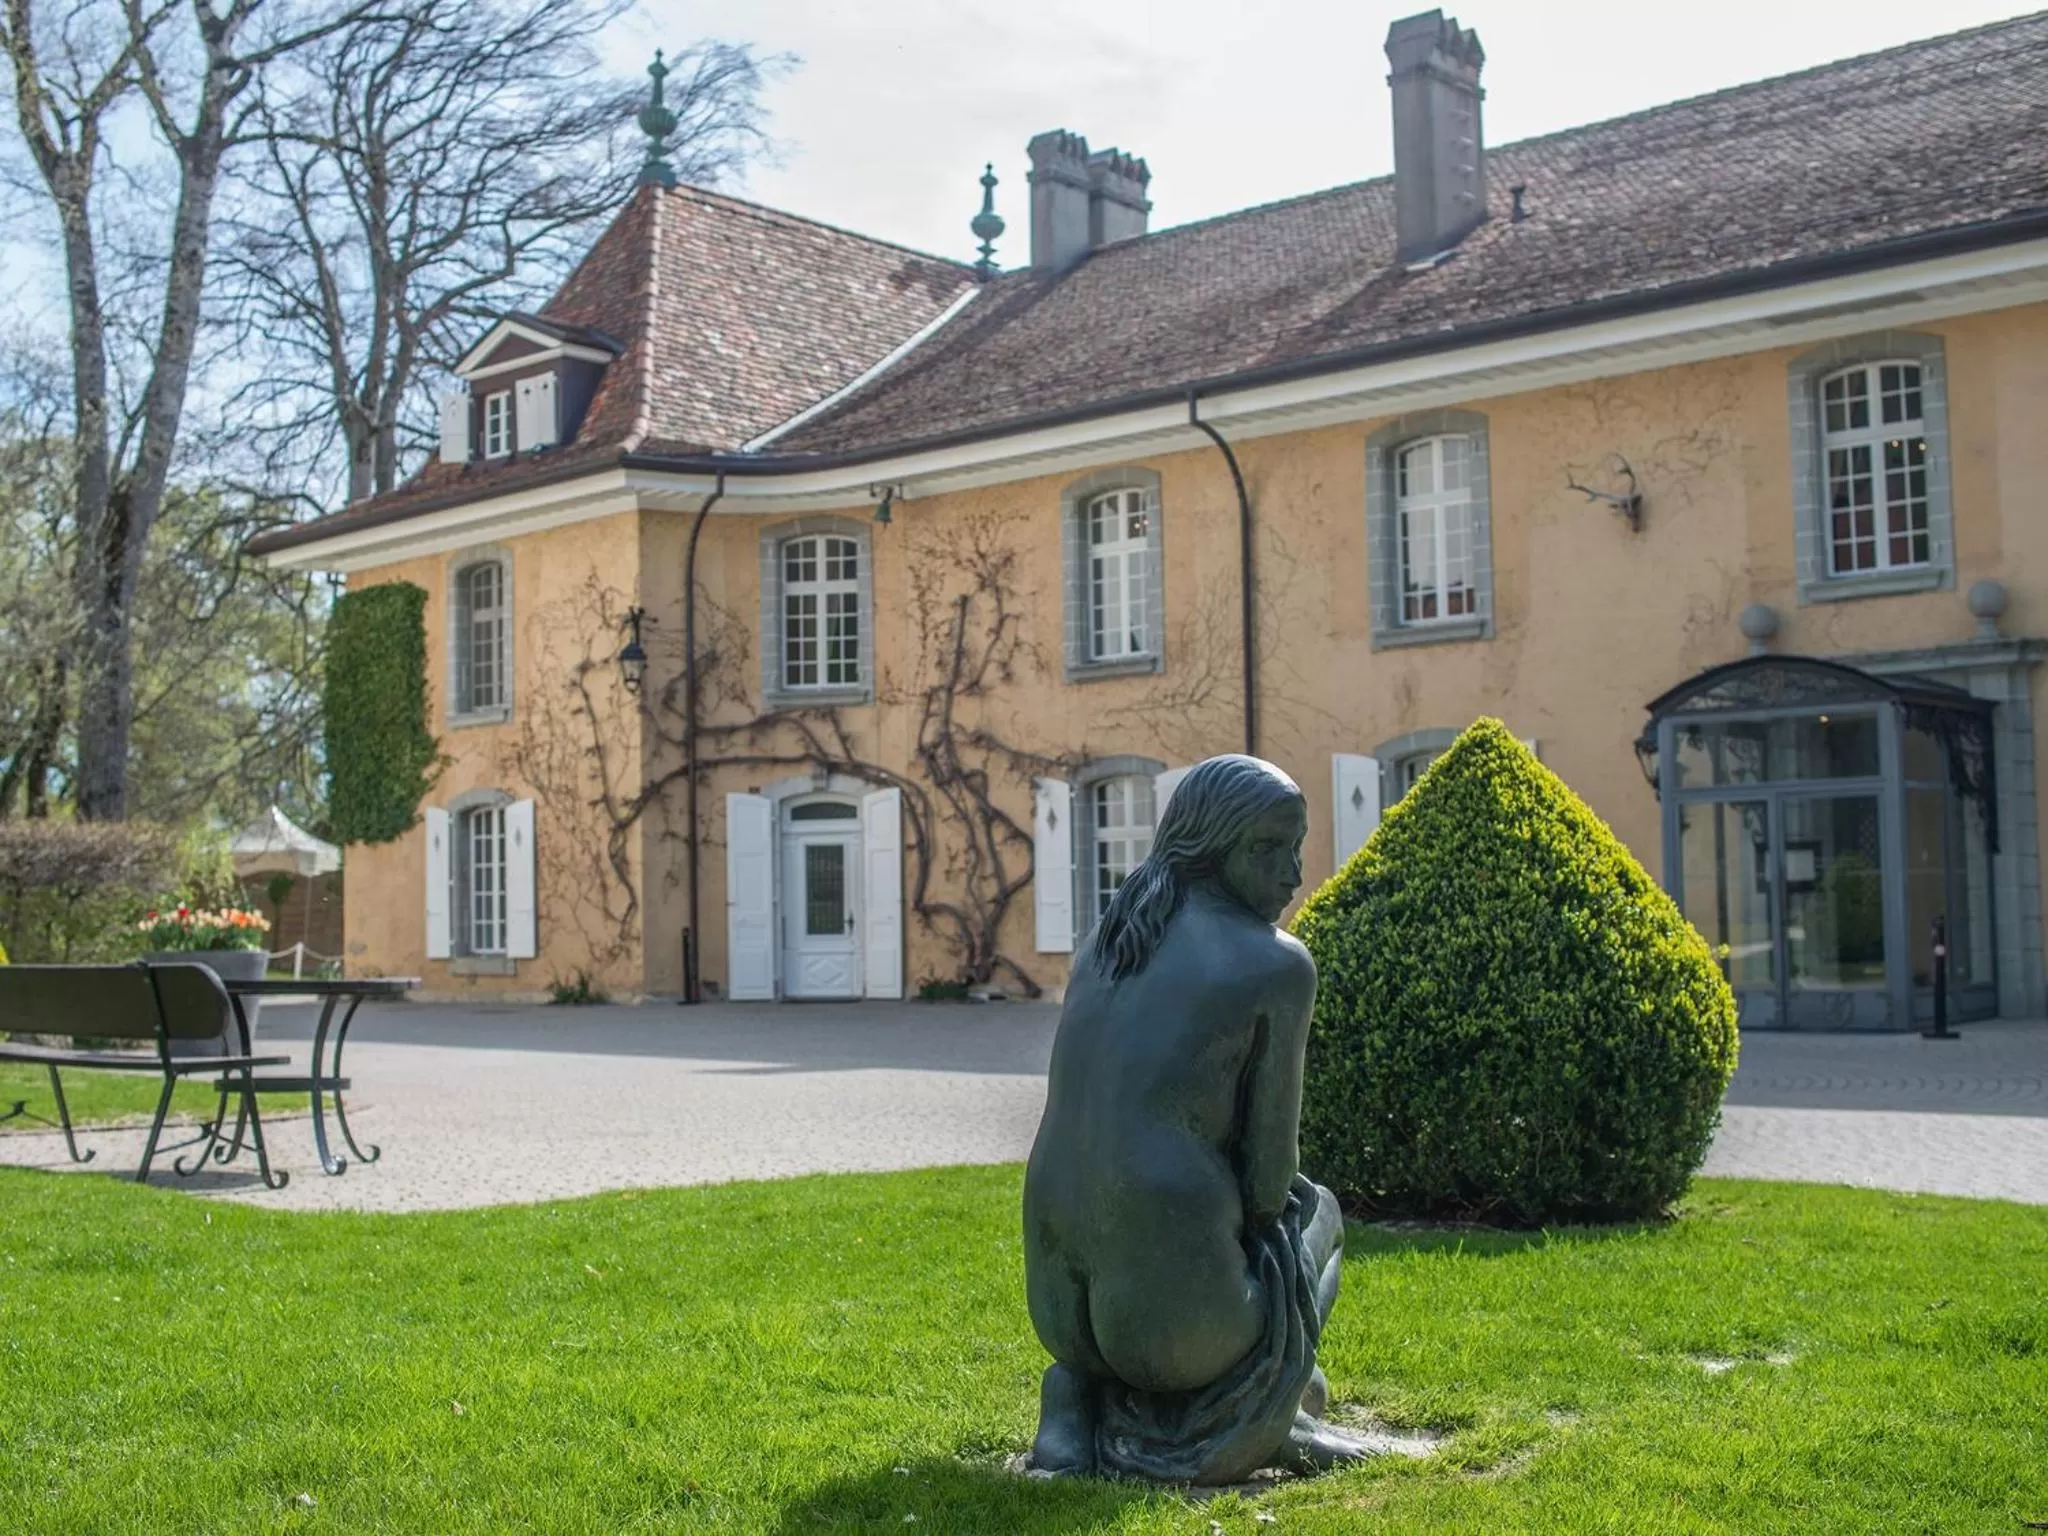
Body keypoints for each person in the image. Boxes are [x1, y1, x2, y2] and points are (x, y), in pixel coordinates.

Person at [1022, 754, 1368, 1484]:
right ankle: (1266, 1419)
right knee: (1322, 1215)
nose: (1294, 873)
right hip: (1172, 1333)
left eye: (1296, 846)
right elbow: (1272, 1184)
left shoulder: (1103, 947)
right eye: (1268, 849)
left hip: (1059, 1315)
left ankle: (1076, 1400)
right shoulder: (1277, 965)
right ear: (1210, 849)